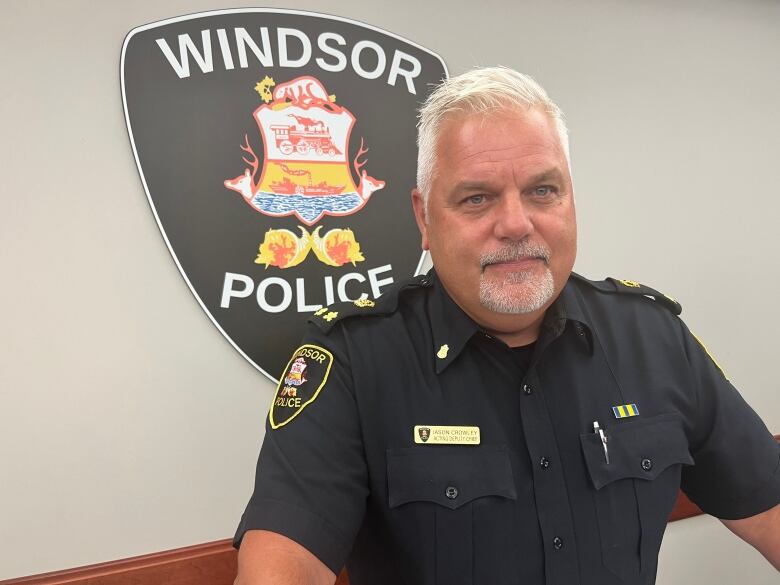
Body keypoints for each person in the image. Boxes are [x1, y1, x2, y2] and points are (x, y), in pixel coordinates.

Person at [233, 67, 780, 585]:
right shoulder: (354, 360)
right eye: (477, 198)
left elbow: (767, 500)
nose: (517, 224)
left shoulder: (653, 339)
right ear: (424, 218)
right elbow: (285, 563)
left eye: (543, 190)